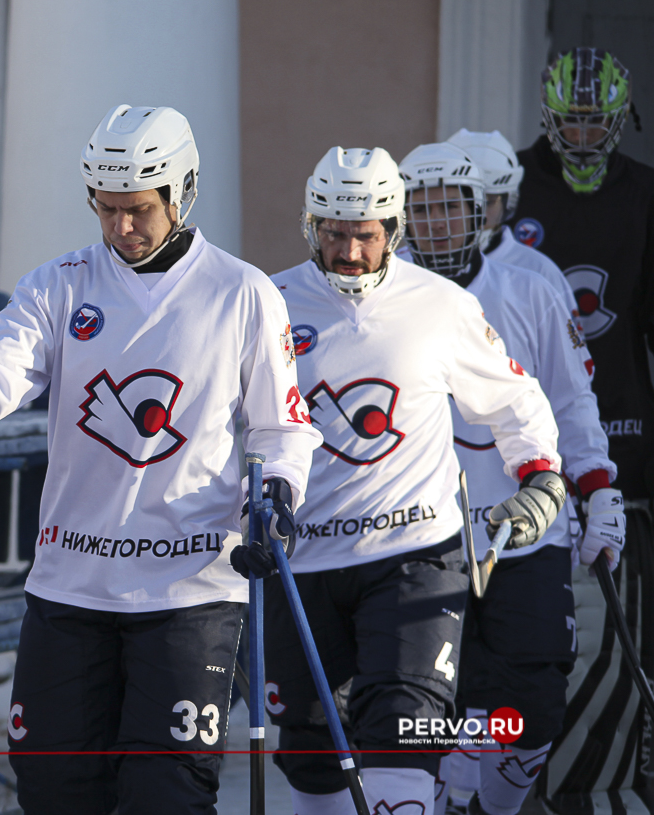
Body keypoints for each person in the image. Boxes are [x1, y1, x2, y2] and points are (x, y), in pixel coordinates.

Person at [0, 104, 322, 814]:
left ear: (183, 192)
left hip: (189, 592)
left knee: (165, 797)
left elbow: (283, 429)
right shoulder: (59, 285)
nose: (121, 228)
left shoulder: (243, 293)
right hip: (70, 587)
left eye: (139, 210)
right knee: (56, 794)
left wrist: (275, 499)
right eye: (106, 209)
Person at [241, 146, 563, 815]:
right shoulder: (266, 303)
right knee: (310, 750)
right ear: (311, 226)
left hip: (415, 554)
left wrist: (539, 475)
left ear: (396, 227)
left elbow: (512, 398)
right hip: (306, 560)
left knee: (402, 740)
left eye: (365, 234)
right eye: (333, 232)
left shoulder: (438, 305)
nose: (349, 251)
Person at [397, 142, 619, 815]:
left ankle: (488, 804)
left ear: (485, 212)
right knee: (437, 700)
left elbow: (571, 399)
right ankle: (448, 796)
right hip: (425, 535)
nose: (437, 223)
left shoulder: (529, 283)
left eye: (451, 208)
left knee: (533, 705)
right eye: (424, 209)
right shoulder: (389, 292)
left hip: (526, 525)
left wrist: (597, 486)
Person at [505, 47, 653, 803]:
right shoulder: (514, 188)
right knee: (520, 637)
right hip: (518, 451)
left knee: (616, 637)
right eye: (573, 121)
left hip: (620, 448)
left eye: (598, 122)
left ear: (621, 120)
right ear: (548, 118)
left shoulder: (644, 194)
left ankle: (601, 783)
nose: (587, 136)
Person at [444, 129, 578, 321]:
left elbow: (565, 348)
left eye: (487, 202)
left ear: (508, 202)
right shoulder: (407, 264)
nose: (476, 215)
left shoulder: (539, 272)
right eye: (463, 203)